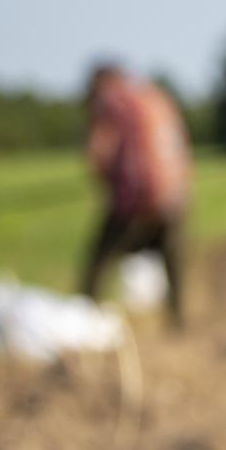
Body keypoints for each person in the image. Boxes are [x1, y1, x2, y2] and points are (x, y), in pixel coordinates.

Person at [80, 63, 192, 328]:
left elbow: (97, 151)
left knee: (99, 257)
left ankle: (84, 315)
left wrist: (107, 181)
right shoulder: (154, 96)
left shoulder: (111, 100)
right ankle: (177, 319)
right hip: (174, 192)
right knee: (171, 256)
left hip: (137, 193)